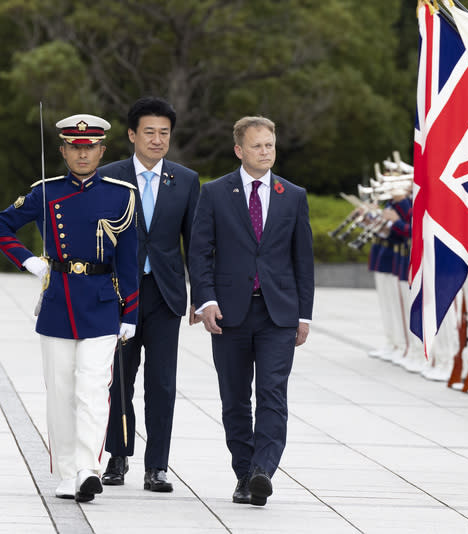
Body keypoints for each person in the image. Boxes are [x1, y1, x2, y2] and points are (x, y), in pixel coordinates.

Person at [0, 114, 138, 503]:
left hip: (103, 303)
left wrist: (131, 313)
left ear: (102, 151)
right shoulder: (46, 191)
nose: (82, 154)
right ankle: (68, 471)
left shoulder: (122, 193)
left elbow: (129, 258)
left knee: (92, 388)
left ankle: (88, 468)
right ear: (63, 150)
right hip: (59, 301)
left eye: (89, 148)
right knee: (60, 391)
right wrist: (30, 261)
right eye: (74, 147)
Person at [189, 116, 314, 506]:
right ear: (239, 150)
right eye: (257, 146)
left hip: (279, 313)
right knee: (235, 398)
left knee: (273, 393)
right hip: (230, 314)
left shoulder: (292, 195)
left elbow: (303, 259)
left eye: (270, 145)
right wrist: (205, 300)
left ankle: (263, 470)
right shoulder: (214, 193)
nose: (265, 152)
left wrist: (304, 314)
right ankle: (244, 472)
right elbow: (199, 252)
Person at [100, 97, 200, 492]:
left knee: (162, 383)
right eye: (149, 132)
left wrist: (201, 296)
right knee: (118, 379)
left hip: (165, 295)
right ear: (132, 135)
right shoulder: (109, 176)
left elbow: (196, 243)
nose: (157, 140)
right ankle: (118, 457)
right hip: (118, 294)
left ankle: (157, 466)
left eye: (164, 133)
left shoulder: (186, 180)